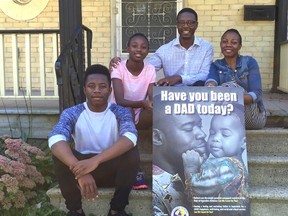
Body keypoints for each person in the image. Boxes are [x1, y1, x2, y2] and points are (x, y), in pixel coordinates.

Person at [48, 64, 140, 216]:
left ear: (110, 90)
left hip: (111, 170)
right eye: (91, 86)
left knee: (131, 152)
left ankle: (117, 209)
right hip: (80, 168)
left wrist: (95, 161)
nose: (97, 90)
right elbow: (55, 139)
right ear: (85, 89)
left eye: (102, 86)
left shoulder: (121, 112)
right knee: (59, 154)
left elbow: (130, 137)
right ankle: (75, 209)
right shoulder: (72, 112)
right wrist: (80, 171)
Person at [109, 7, 214, 87]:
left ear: (196, 25)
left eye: (190, 23)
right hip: (172, 98)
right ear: (177, 25)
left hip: (199, 95)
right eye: (182, 23)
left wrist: (178, 78)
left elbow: (205, 75)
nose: (186, 26)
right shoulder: (165, 50)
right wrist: (120, 66)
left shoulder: (206, 47)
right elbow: (146, 69)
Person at [110, 32, 155, 189]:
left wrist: (150, 104)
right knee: (127, 113)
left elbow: (151, 97)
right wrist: (143, 103)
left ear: (148, 51)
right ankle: (136, 170)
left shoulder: (150, 69)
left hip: (138, 110)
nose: (139, 49)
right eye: (134, 45)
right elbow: (120, 100)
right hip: (118, 110)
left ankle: (162, 167)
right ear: (127, 48)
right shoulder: (118, 67)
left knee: (156, 112)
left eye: (143, 47)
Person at [152, 95, 208, 216]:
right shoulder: (156, 190)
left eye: (200, 126)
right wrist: (193, 174)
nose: (202, 134)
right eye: (188, 128)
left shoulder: (211, 171)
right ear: (156, 137)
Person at [183, 102, 248, 200]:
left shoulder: (227, 167)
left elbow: (199, 189)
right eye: (212, 133)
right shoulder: (233, 165)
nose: (215, 138)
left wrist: (191, 168)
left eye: (225, 134)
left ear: (243, 142)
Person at [205, 28, 267, 129]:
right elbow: (211, 81)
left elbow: (257, 94)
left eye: (233, 42)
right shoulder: (216, 65)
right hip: (230, 118)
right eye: (225, 42)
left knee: (230, 86)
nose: (228, 45)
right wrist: (210, 86)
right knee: (218, 91)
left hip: (254, 118)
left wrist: (231, 97)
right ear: (220, 44)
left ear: (239, 46)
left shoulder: (249, 62)